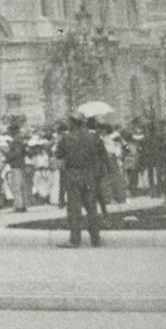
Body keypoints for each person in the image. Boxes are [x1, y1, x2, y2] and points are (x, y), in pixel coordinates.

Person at [56, 103, 120, 249]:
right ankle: (95, 239)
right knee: (91, 208)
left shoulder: (66, 139)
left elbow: (59, 157)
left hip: (73, 175)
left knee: (74, 209)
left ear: (72, 123)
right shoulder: (94, 137)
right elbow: (104, 157)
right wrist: (109, 173)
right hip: (89, 175)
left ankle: (75, 240)